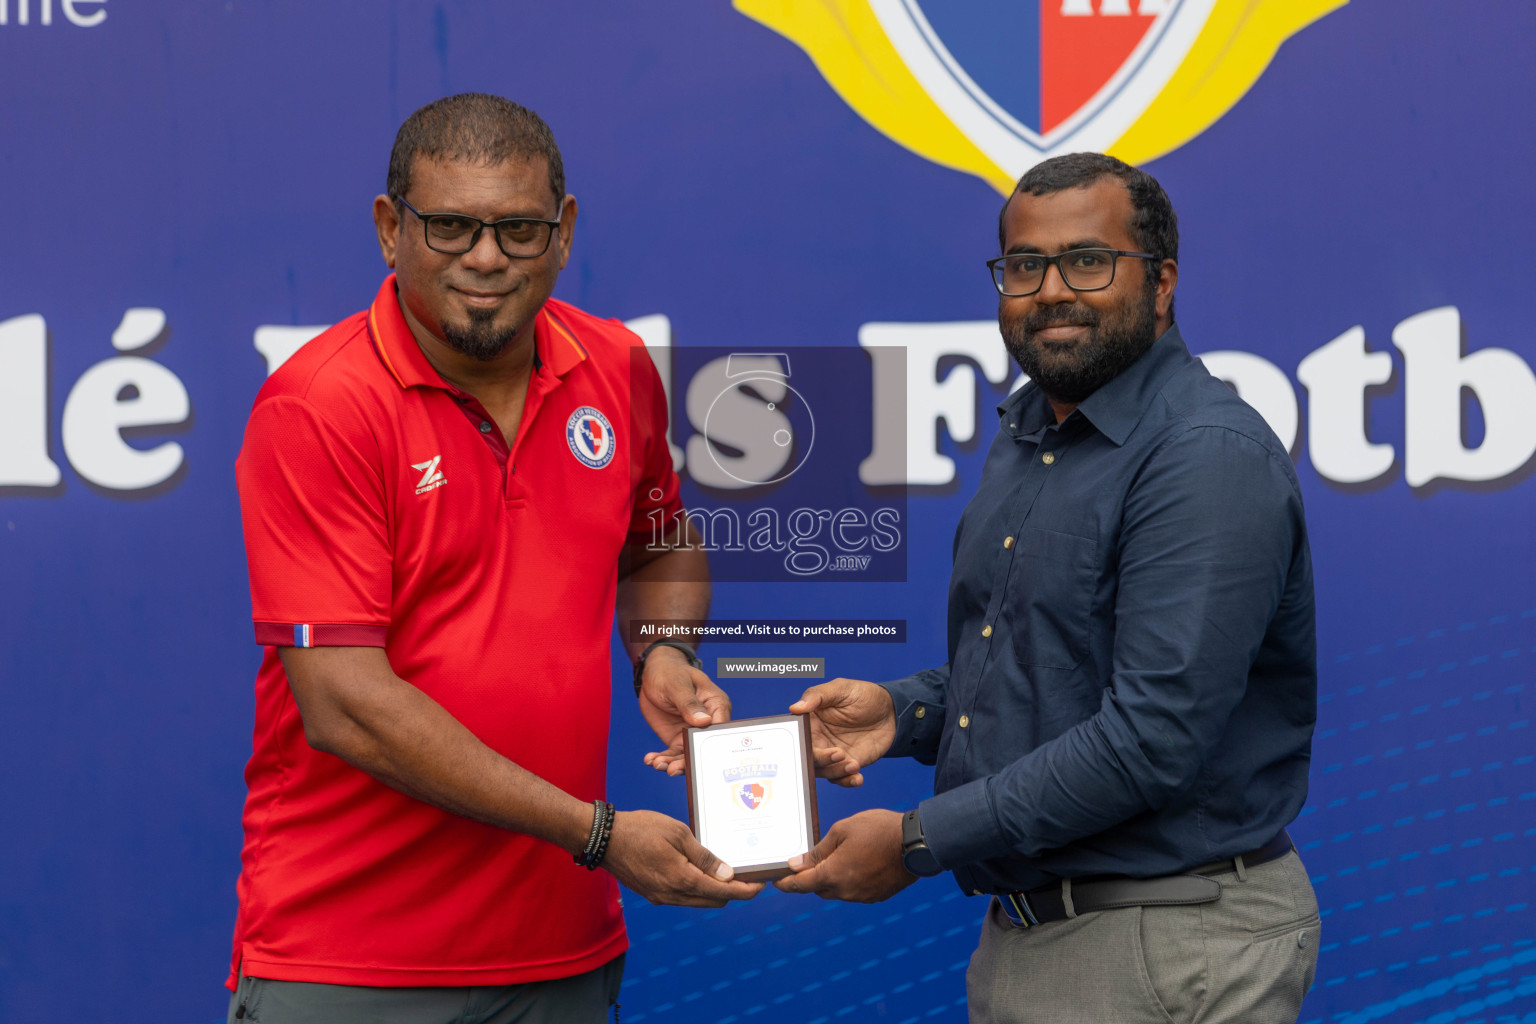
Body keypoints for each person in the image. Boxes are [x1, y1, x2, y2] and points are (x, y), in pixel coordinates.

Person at [229, 93, 759, 1024]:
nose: (485, 258)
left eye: (518, 229)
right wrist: (596, 833)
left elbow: (661, 540)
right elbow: (345, 705)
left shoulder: (615, 362)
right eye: (450, 227)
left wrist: (663, 652)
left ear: (564, 233)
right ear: (391, 230)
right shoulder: (318, 404)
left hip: (562, 951)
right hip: (352, 961)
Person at [775, 153, 1321, 1023]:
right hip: (1042, 936)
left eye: (1089, 261)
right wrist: (903, 712)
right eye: (1025, 266)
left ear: (1163, 281)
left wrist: (918, 842)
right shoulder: (1036, 431)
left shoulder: (1203, 454)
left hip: (1164, 943)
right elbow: (1050, 660)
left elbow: (1150, 738)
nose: (1052, 289)